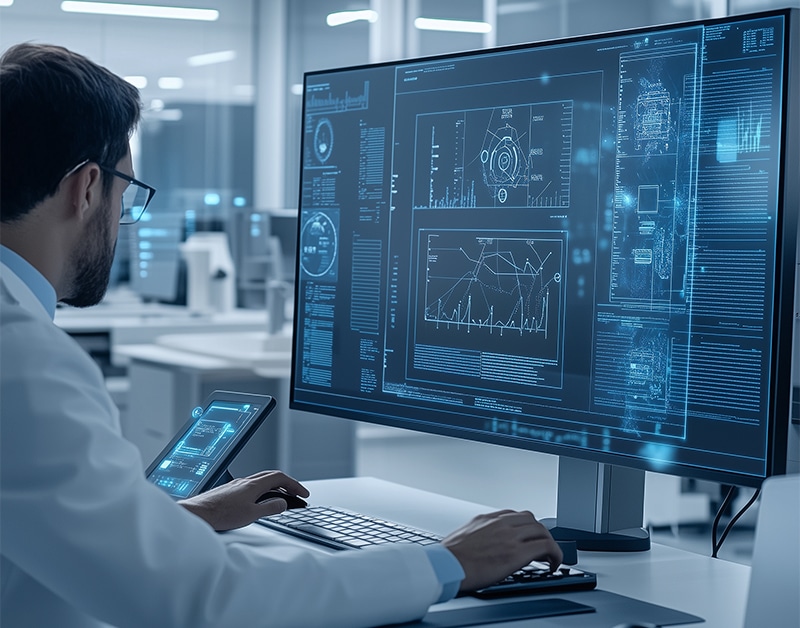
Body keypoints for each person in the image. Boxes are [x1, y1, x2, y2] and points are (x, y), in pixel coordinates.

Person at [0, 43, 562, 628]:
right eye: (126, 195)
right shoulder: (24, 362)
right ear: (87, 187)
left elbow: (46, 529)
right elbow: (208, 599)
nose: (123, 221)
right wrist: (448, 562)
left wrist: (177, 520)